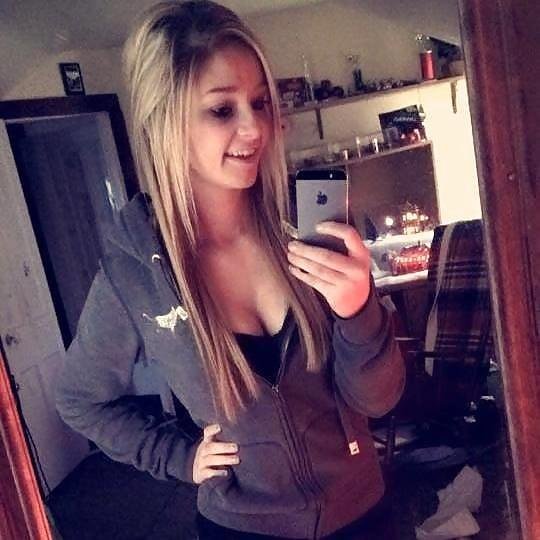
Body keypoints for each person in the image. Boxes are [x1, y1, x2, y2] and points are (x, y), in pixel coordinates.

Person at [56, 1, 405, 538]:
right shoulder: (135, 271)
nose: (255, 127)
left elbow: (377, 400)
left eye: (260, 103)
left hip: (363, 514)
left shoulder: (308, 232)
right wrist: (177, 457)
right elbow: (80, 399)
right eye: (222, 110)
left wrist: (359, 310)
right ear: (165, 123)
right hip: (243, 529)